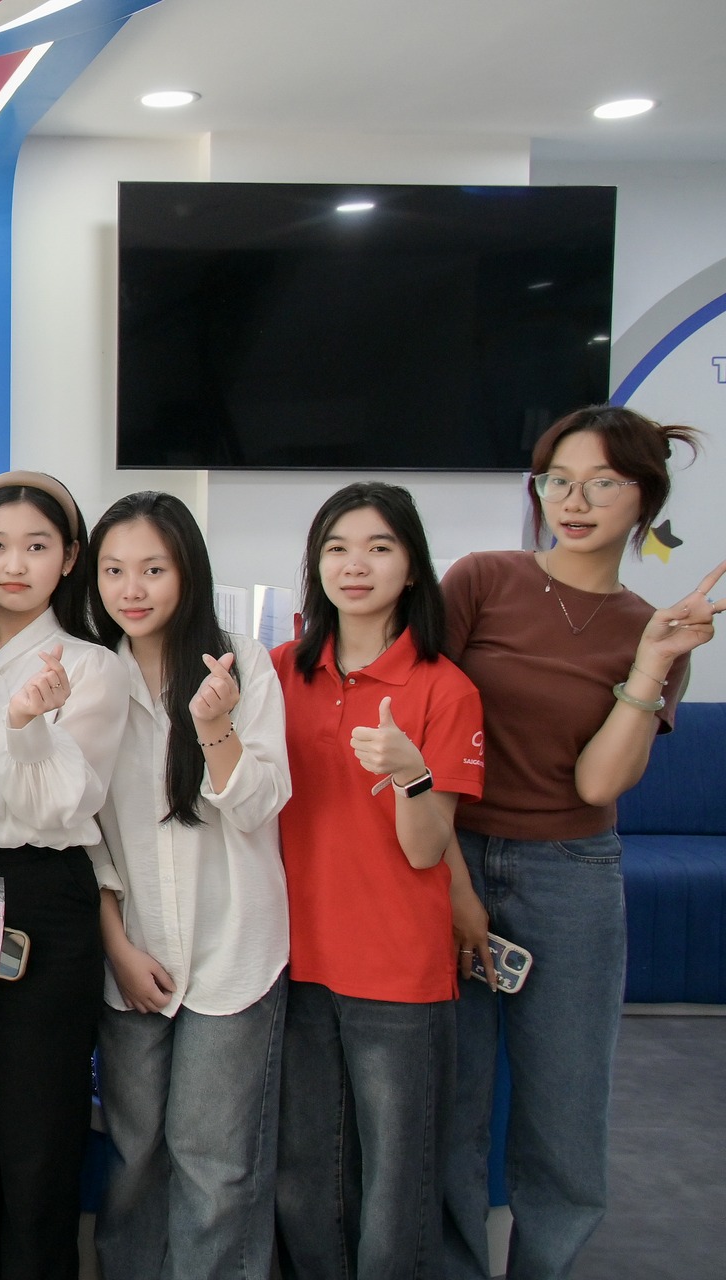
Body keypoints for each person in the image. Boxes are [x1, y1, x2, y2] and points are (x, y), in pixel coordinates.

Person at [440, 406, 724, 1280]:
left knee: (564, 1111)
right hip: (452, 854)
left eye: (602, 483)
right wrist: (454, 887)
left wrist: (650, 664)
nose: (574, 500)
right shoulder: (480, 580)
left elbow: (600, 785)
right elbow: (422, 727)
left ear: (644, 498)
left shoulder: (654, 627)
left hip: (572, 873)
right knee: (450, 1103)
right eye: (558, 480)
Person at [0, 470, 130, 1280]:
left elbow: (64, 805)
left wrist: (27, 725)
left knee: (40, 1137)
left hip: (46, 894)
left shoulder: (94, 667)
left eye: (37, 546)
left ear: (70, 557)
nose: (14, 564)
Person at [270, 483, 484, 1279]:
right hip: (294, 961)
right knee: (306, 1182)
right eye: (337, 548)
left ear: (413, 568)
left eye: (379, 548)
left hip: (398, 971)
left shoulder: (445, 688)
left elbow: (427, 853)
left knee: (398, 1185)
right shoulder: (279, 673)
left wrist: (411, 775)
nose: (354, 565)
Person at [79, 490, 291, 1280]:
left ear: (188, 572)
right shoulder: (90, 674)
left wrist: (213, 726)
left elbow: (259, 804)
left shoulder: (242, 663)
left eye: (153, 569)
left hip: (234, 952)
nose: (132, 589)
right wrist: (118, 949)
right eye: (113, 570)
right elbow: (83, 833)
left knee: (216, 1165)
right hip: (132, 956)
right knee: (134, 1156)